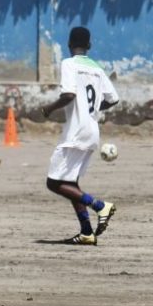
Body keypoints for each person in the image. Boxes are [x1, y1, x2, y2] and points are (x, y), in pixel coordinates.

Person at [41, 27, 119, 246]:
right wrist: (91, 109)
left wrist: (49, 108)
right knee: (70, 182)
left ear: (68, 44)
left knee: (54, 183)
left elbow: (68, 95)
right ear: (90, 46)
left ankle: (99, 205)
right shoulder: (96, 68)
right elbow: (113, 99)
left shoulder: (68, 63)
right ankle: (86, 232)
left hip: (76, 132)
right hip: (92, 130)